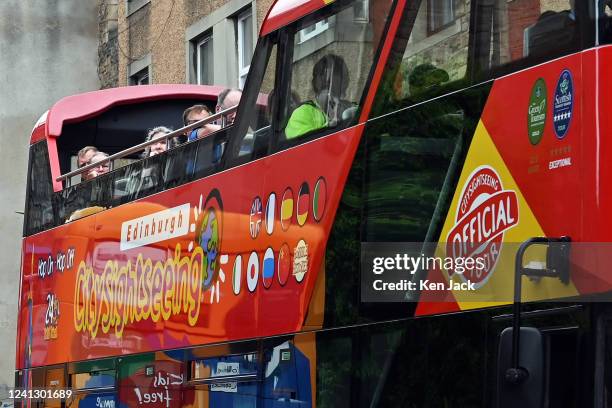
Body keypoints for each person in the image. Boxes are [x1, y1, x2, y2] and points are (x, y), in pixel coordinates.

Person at [285, 54, 352, 139]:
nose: (345, 82)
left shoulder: (351, 109)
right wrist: (331, 123)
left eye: (344, 77)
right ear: (318, 83)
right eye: (329, 80)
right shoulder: (303, 114)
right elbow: (305, 147)